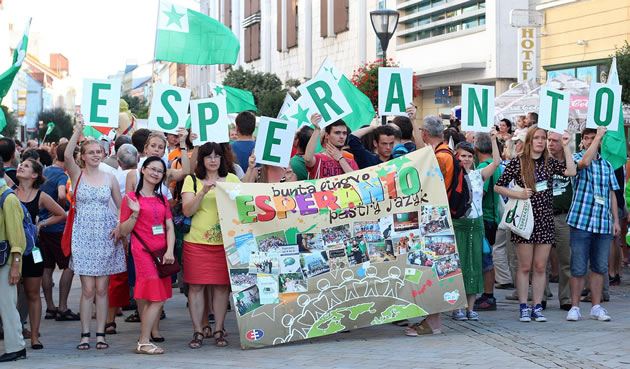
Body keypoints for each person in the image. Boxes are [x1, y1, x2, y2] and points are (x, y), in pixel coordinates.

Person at [494, 126, 576, 322]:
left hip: (545, 220)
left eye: (543, 138)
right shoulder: (518, 162)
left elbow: (571, 171)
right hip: (524, 220)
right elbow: (498, 186)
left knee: (540, 267)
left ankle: (537, 306)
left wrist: (565, 146)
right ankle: (523, 306)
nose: (540, 141)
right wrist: (518, 193)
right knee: (524, 267)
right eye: (537, 138)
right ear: (530, 141)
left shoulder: (550, 162)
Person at [65, 115, 126, 350]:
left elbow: (120, 206)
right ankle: (84, 334)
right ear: (83, 156)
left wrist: (119, 226)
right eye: (90, 152)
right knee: (87, 289)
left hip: (105, 234)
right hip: (82, 234)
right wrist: (78, 130)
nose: (95, 155)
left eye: (98, 152)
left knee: (102, 288)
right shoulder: (76, 174)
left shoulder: (110, 177)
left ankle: (100, 334)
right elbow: (67, 154)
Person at [181, 142, 240, 349]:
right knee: (195, 287)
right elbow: (187, 211)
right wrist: (202, 192)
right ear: (202, 160)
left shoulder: (231, 179)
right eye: (208, 156)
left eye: (217, 156)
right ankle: (198, 330)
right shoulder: (191, 180)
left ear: (223, 159)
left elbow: (242, 203)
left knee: (221, 288)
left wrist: (251, 169)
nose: (213, 160)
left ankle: (219, 329)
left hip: (225, 242)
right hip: (196, 242)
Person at [120, 156, 176, 354]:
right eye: (152, 169)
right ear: (143, 170)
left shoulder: (162, 198)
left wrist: (170, 250)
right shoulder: (130, 199)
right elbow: (123, 230)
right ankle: (143, 341)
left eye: (160, 171)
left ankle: (144, 339)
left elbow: (169, 226)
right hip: (143, 252)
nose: (155, 173)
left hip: (162, 253)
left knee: (156, 297)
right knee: (156, 297)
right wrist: (134, 213)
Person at [566, 127, 620, 322]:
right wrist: (598, 136)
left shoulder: (606, 165)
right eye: (586, 138)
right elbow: (585, 162)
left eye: (593, 138)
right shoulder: (575, 158)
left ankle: (596, 306)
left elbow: (612, 193)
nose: (590, 141)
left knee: (599, 267)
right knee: (578, 267)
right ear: (582, 141)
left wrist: (615, 220)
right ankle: (574, 307)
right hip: (581, 220)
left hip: (603, 223)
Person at [13, 159, 67, 349]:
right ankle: (16, 332)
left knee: (32, 294)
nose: (21, 167)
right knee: (12, 295)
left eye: (26, 166)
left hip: (32, 250)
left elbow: (62, 214)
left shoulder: (40, 195)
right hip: (12, 250)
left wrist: (41, 225)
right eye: (22, 164)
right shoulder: (9, 192)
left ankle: (34, 336)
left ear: (35, 175)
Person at [451, 131, 500, 321]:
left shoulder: (479, 174)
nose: (466, 159)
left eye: (469, 155)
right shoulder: (451, 176)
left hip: (476, 226)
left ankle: (470, 308)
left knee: (474, 267)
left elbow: (496, 163)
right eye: (462, 155)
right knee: (458, 268)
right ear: (456, 156)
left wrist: (494, 140)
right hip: (458, 225)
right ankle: (456, 308)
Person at [40, 143, 79, 322]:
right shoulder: (62, 175)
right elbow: (62, 195)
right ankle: (62, 307)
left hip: (42, 226)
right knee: (69, 266)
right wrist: (62, 207)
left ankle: (50, 307)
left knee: (47, 268)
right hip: (57, 227)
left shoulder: (45, 171)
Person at [0, 161, 27, 362]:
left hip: (6, 260)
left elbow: (17, 236)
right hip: (6, 259)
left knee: (7, 305)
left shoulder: (7, 198)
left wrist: (15, 263)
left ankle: (15, 346)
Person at [473, 132, 504, 312]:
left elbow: (480, 193)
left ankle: (488, 295)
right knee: (487, 256)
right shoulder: (494, 165)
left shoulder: (485, 167)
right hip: (493, 217)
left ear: (476, 150)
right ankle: (487, 294)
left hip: (485, 217)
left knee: (485, 258)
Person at [547, 132, 573, 311]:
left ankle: (566, 298)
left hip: (564, 216)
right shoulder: (542, 163)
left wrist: (566, 147)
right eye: (549, 140)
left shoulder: (570, 161)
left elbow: (578, 167)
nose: (550, 144)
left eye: (554, 141)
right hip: (545, 214)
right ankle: (540, 296)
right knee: (540, 261)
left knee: (566, 260)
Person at [303, 114, 358, 179]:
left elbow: (357, 181)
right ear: (327, 135)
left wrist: (340, 159)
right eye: (337, 133)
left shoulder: (351, 161)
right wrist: (317, 129)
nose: (342, 136)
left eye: (344, 133)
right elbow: (308, 158)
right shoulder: (319, 158)